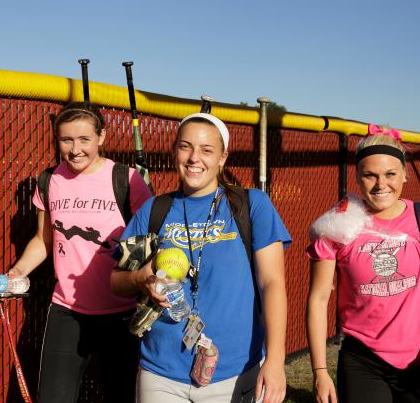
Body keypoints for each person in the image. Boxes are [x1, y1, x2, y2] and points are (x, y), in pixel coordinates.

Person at [111, 112, 291, 403]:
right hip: (161, 372)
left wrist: (275, 360)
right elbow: (116, 281)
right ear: (174, 152)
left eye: (207, 150)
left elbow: (272, 283)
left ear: (222, 158)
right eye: (186, 147)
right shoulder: (153, 210)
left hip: (234, 369)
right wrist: (140, 278)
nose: (195, 158)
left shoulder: (251, 205)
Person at [306, 124, 420, 403]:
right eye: (370, 175)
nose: (381, 185)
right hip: (363, 359)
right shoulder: (338, 225)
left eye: (390, 174)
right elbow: (318, 299)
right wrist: (320, 371)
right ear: (357, 177)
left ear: (405, 174)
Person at [7, 102, 152, 403]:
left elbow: (151, 239)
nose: (75, 149)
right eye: (66, 140)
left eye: (84, 139)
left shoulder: (126, 180)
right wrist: (18, 271)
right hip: (67, 310)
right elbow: (43, 240)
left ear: (101, 137)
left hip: (122, 313)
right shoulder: (49, 181)